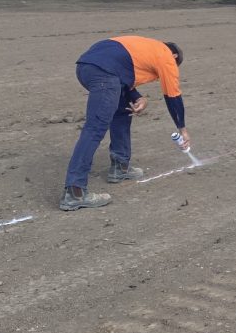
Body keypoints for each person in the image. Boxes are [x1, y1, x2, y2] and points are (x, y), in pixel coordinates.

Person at [60, 35, 190, 211]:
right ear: (174, 57)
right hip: (104, 74)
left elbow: (120, 71)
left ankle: (120, 167)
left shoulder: (146, 47)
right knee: (95, 128)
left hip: (87, 67)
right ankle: (74, 192)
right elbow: (173, 95)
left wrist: (137, 97)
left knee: (122, 111)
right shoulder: (166, 55)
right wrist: (182, 128)